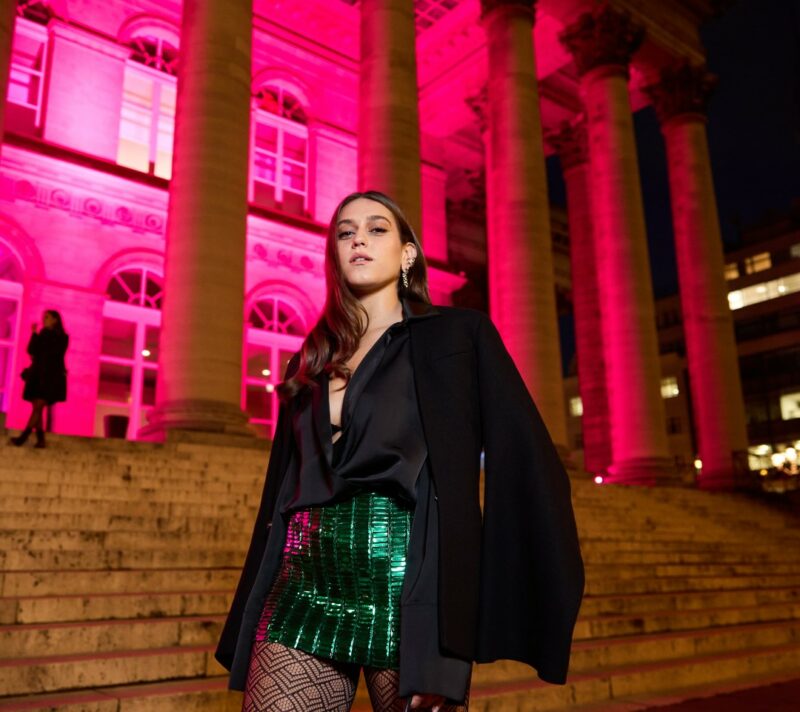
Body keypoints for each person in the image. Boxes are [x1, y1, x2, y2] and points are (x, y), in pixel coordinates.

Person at [215, 191, 585, 712]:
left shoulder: (457, 337)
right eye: (345, 232)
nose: (358, 240)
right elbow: (283, 484)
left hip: (405, 586)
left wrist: (490, 594)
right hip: (302, 581)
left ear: (408, 253)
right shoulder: (310, 358)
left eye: (376, 228)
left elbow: (527, 459)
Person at [11, 310, 69, 449]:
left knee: (38, 406)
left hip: (50, 377)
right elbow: (32, 350)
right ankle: (41, 439)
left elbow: (55, 354)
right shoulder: (42, 334)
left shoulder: (62, 337)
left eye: (47, 317)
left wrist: (43, 337)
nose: (44, 319)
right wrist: (34, 333)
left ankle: (24, 436)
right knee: (37, 407)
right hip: (37, 375)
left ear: (55, 320)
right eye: (44, 317)